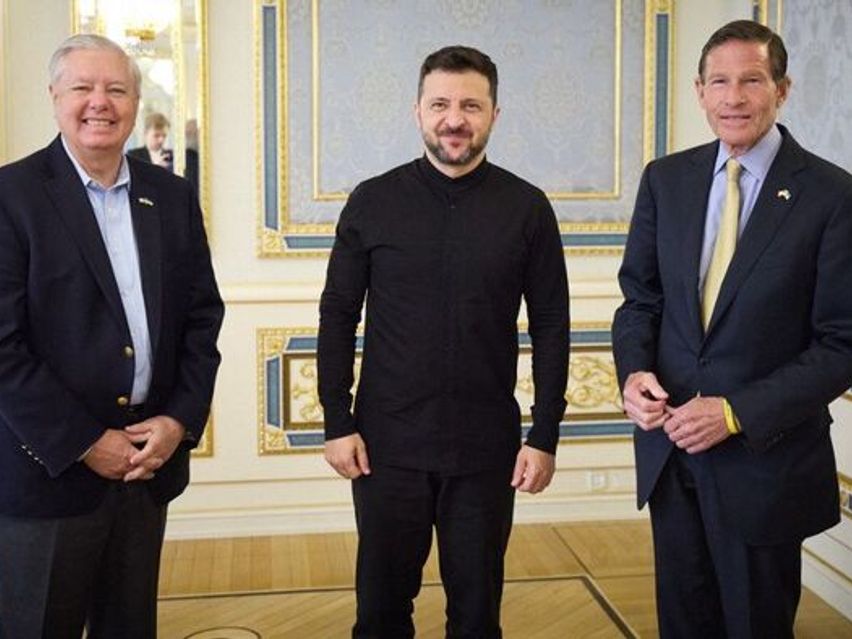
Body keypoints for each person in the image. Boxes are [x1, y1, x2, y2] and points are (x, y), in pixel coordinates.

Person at [317, 45, 569, 638]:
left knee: (477, 619)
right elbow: (338, 313)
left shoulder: (528, 208)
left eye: (471, 106)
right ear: (418, 111)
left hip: (486, 451)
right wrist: (336, 421)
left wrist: (545, 435)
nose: (454, 119)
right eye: (440, 105)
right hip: (385, 447)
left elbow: (551, 324)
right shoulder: (372, 201)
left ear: (494, 115)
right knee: (380, 615)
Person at [613, 20, 852, 638]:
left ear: (782, 89)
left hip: (764, 464)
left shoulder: (832, 195)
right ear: (699, 91)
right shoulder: (665, 180)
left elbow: (842, 344)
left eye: (752, 80)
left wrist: (735, 412)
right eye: (718, 82)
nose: (733, 98)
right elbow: (639, 301)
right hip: (670, 453)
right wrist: (634, 373)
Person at [0, 34, 224, 638]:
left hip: (145, 471)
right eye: (83, 87)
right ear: (54, 97)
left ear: (135, 103)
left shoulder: (171, 196)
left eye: (116, 89)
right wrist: (84, 441)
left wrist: (178, 421)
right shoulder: (10, 196)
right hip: (47, 475)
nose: (100, 102)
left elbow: (202, 319)